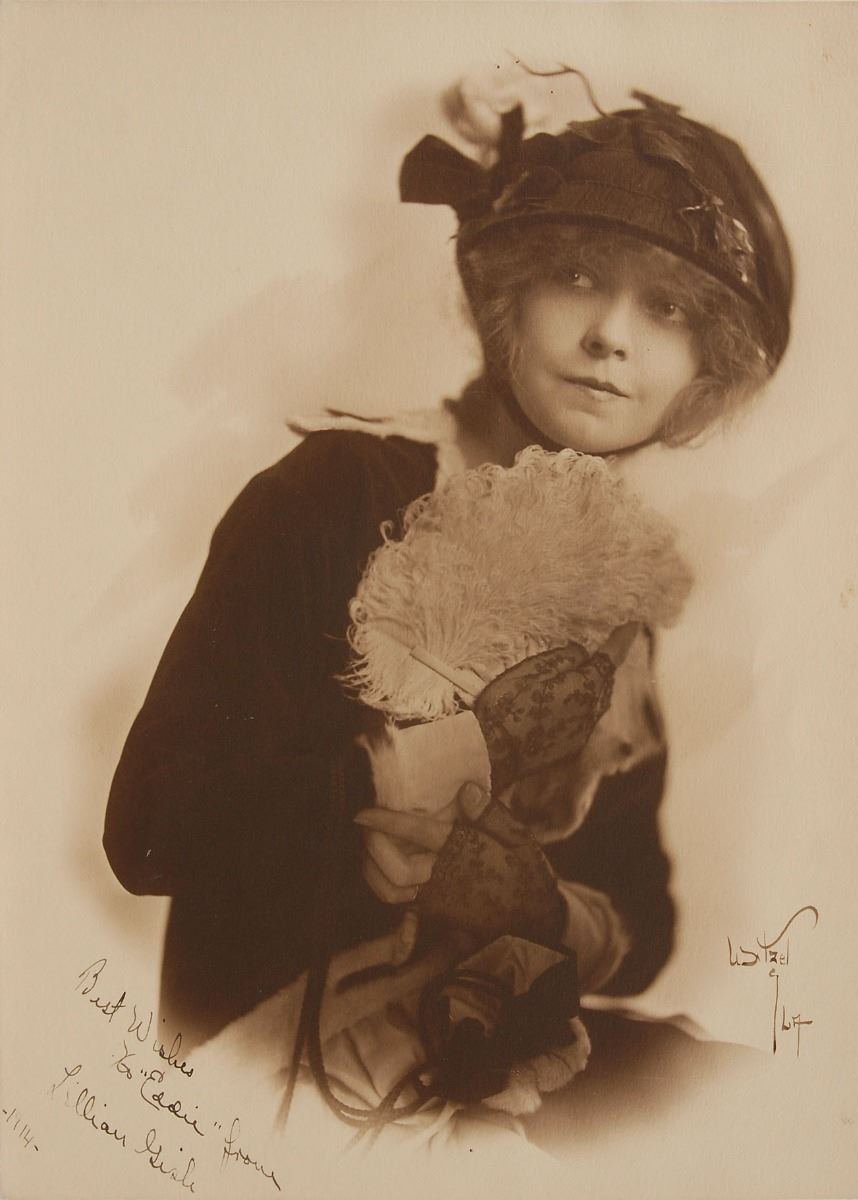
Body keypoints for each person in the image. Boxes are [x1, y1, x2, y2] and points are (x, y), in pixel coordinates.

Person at [103, 83, 792, 1143]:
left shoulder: (622, 596)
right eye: (577, 277)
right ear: (508, 292)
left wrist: (539, 907)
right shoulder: (337, 495)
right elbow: (153, 833)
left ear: (706, 368)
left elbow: (642, 924)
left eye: (669, 308)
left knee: (751, 1109)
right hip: (271, 1077)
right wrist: (407, 775)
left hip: (488, 1061)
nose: (612, 335)